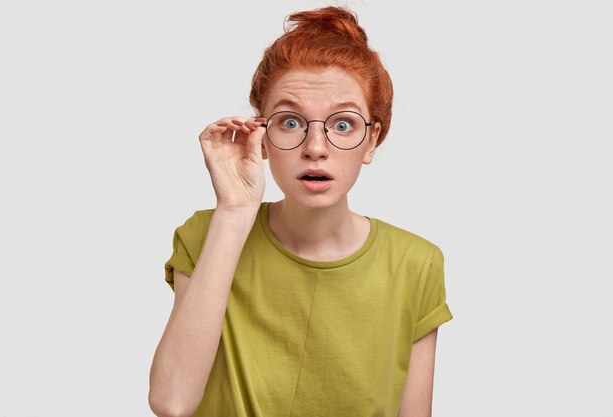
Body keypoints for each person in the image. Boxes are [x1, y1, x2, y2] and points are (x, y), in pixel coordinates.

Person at [149, 6, 453, 417]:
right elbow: (171, 403)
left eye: (343, 124)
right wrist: (235, 210)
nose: (315, 147)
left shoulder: (416, 263)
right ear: (261, 134)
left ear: (371, 141)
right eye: (290, 122)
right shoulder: (206, 233)